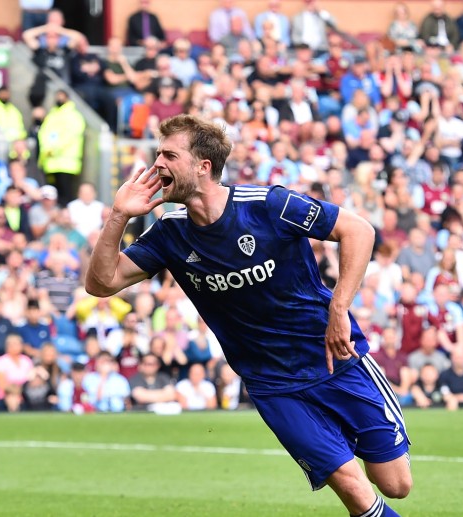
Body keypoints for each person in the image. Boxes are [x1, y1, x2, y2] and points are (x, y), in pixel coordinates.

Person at [85, 114, 411, 515]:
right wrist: (119, 216)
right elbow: (101, 283)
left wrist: (339, 307)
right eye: (157, 154)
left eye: (169, 155)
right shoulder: (169, 233)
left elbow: (358, 229)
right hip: (271, 382)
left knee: (396, 485)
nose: (157, 165)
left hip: (334, 356)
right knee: (353, 489)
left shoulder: (269, 205)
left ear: (202, 166)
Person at [37, 89, 86, 207]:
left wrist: (55, 149)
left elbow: (72, 135)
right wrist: (47, 148)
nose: (59, 99)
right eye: (57, 96)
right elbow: (43, 133)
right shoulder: (52, 115)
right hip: (50, 163)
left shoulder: (74, 116)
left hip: (67, 164)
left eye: (62, 96)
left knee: (66, 196)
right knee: (52, 197)